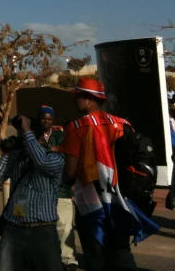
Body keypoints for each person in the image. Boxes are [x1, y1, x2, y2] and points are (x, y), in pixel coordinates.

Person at [60, 78, 138, 271]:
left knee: (96, 259)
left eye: (78, 96)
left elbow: (69, 173)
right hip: (121, 202)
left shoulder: (77, 128)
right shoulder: (123, 123)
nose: (75, 100)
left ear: (89, 99)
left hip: (91, 205)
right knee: (121, 253)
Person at [0, 115, 64, 271]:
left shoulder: (55, 158)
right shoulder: (17, 157)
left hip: (42, 231)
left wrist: (27, 132)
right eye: (22, 139)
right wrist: (7, 154)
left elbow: (41, 162)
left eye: (28, 139)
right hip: (14, 230)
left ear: (40, 139)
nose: (24, 143)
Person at [37, 105, 78, 270]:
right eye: (43, 118)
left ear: (52, 120)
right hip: (42, 189)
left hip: (61, 188)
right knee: (43, 226)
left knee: (65, 225)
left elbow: (68, 156)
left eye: (49, 118)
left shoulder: (61, 136)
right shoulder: (33, 137)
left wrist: (54, 150)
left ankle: (68, 259)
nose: (46, 121)